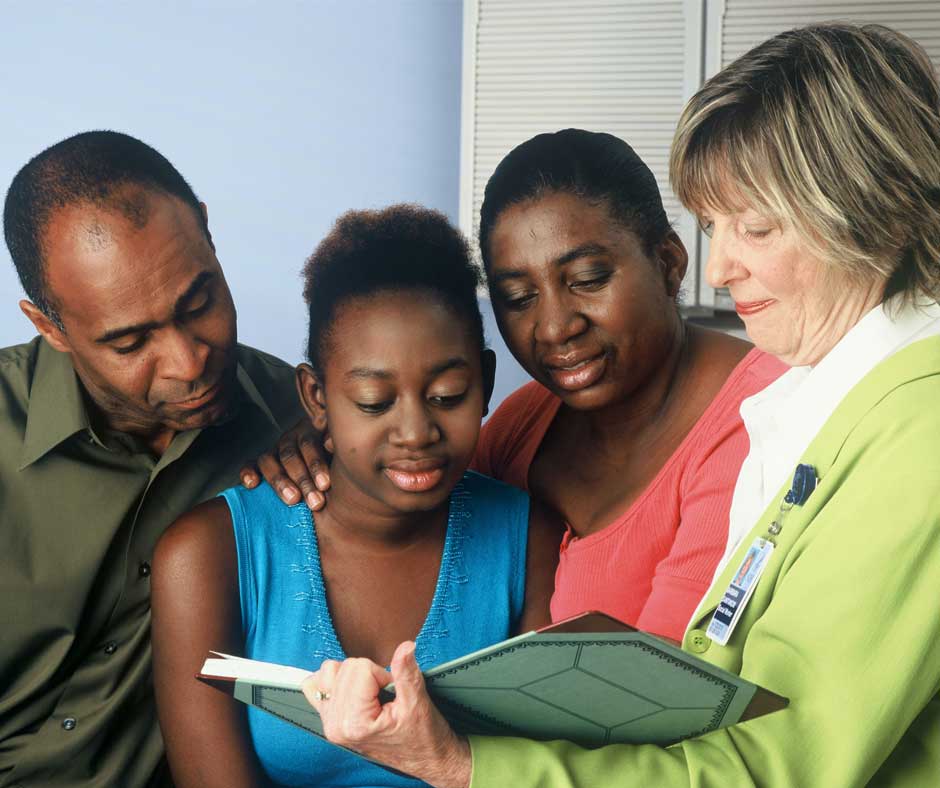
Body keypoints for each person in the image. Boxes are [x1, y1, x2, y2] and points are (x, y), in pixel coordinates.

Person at [297, 22, 940, 787]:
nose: (723, 266)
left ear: (875, 207)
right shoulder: (827, 397)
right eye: (713, 226)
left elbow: (769, 765)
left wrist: (464, 764)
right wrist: (309, 450)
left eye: (756, 227)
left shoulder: (916, 434)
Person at [244, 130, 785, 643]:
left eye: (589, 280)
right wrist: (329, 443)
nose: (554, 327)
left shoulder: (764, 421)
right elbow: (420, 490)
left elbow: (667, 687)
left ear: (668, 263)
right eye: (519, 297)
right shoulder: (525, 424)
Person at [151, 205, 560, 787]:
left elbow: (548, 768)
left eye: (448, 395)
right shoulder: (207, 555)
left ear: (487, 383)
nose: (417, 432)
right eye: (374, 402)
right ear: (316, 398)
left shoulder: (528, 537)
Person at [0, 131, 302, 787]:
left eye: (200, 303)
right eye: (130, 340)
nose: (191, 361)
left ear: (211, 243)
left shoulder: (302, 425)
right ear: (49, 327)